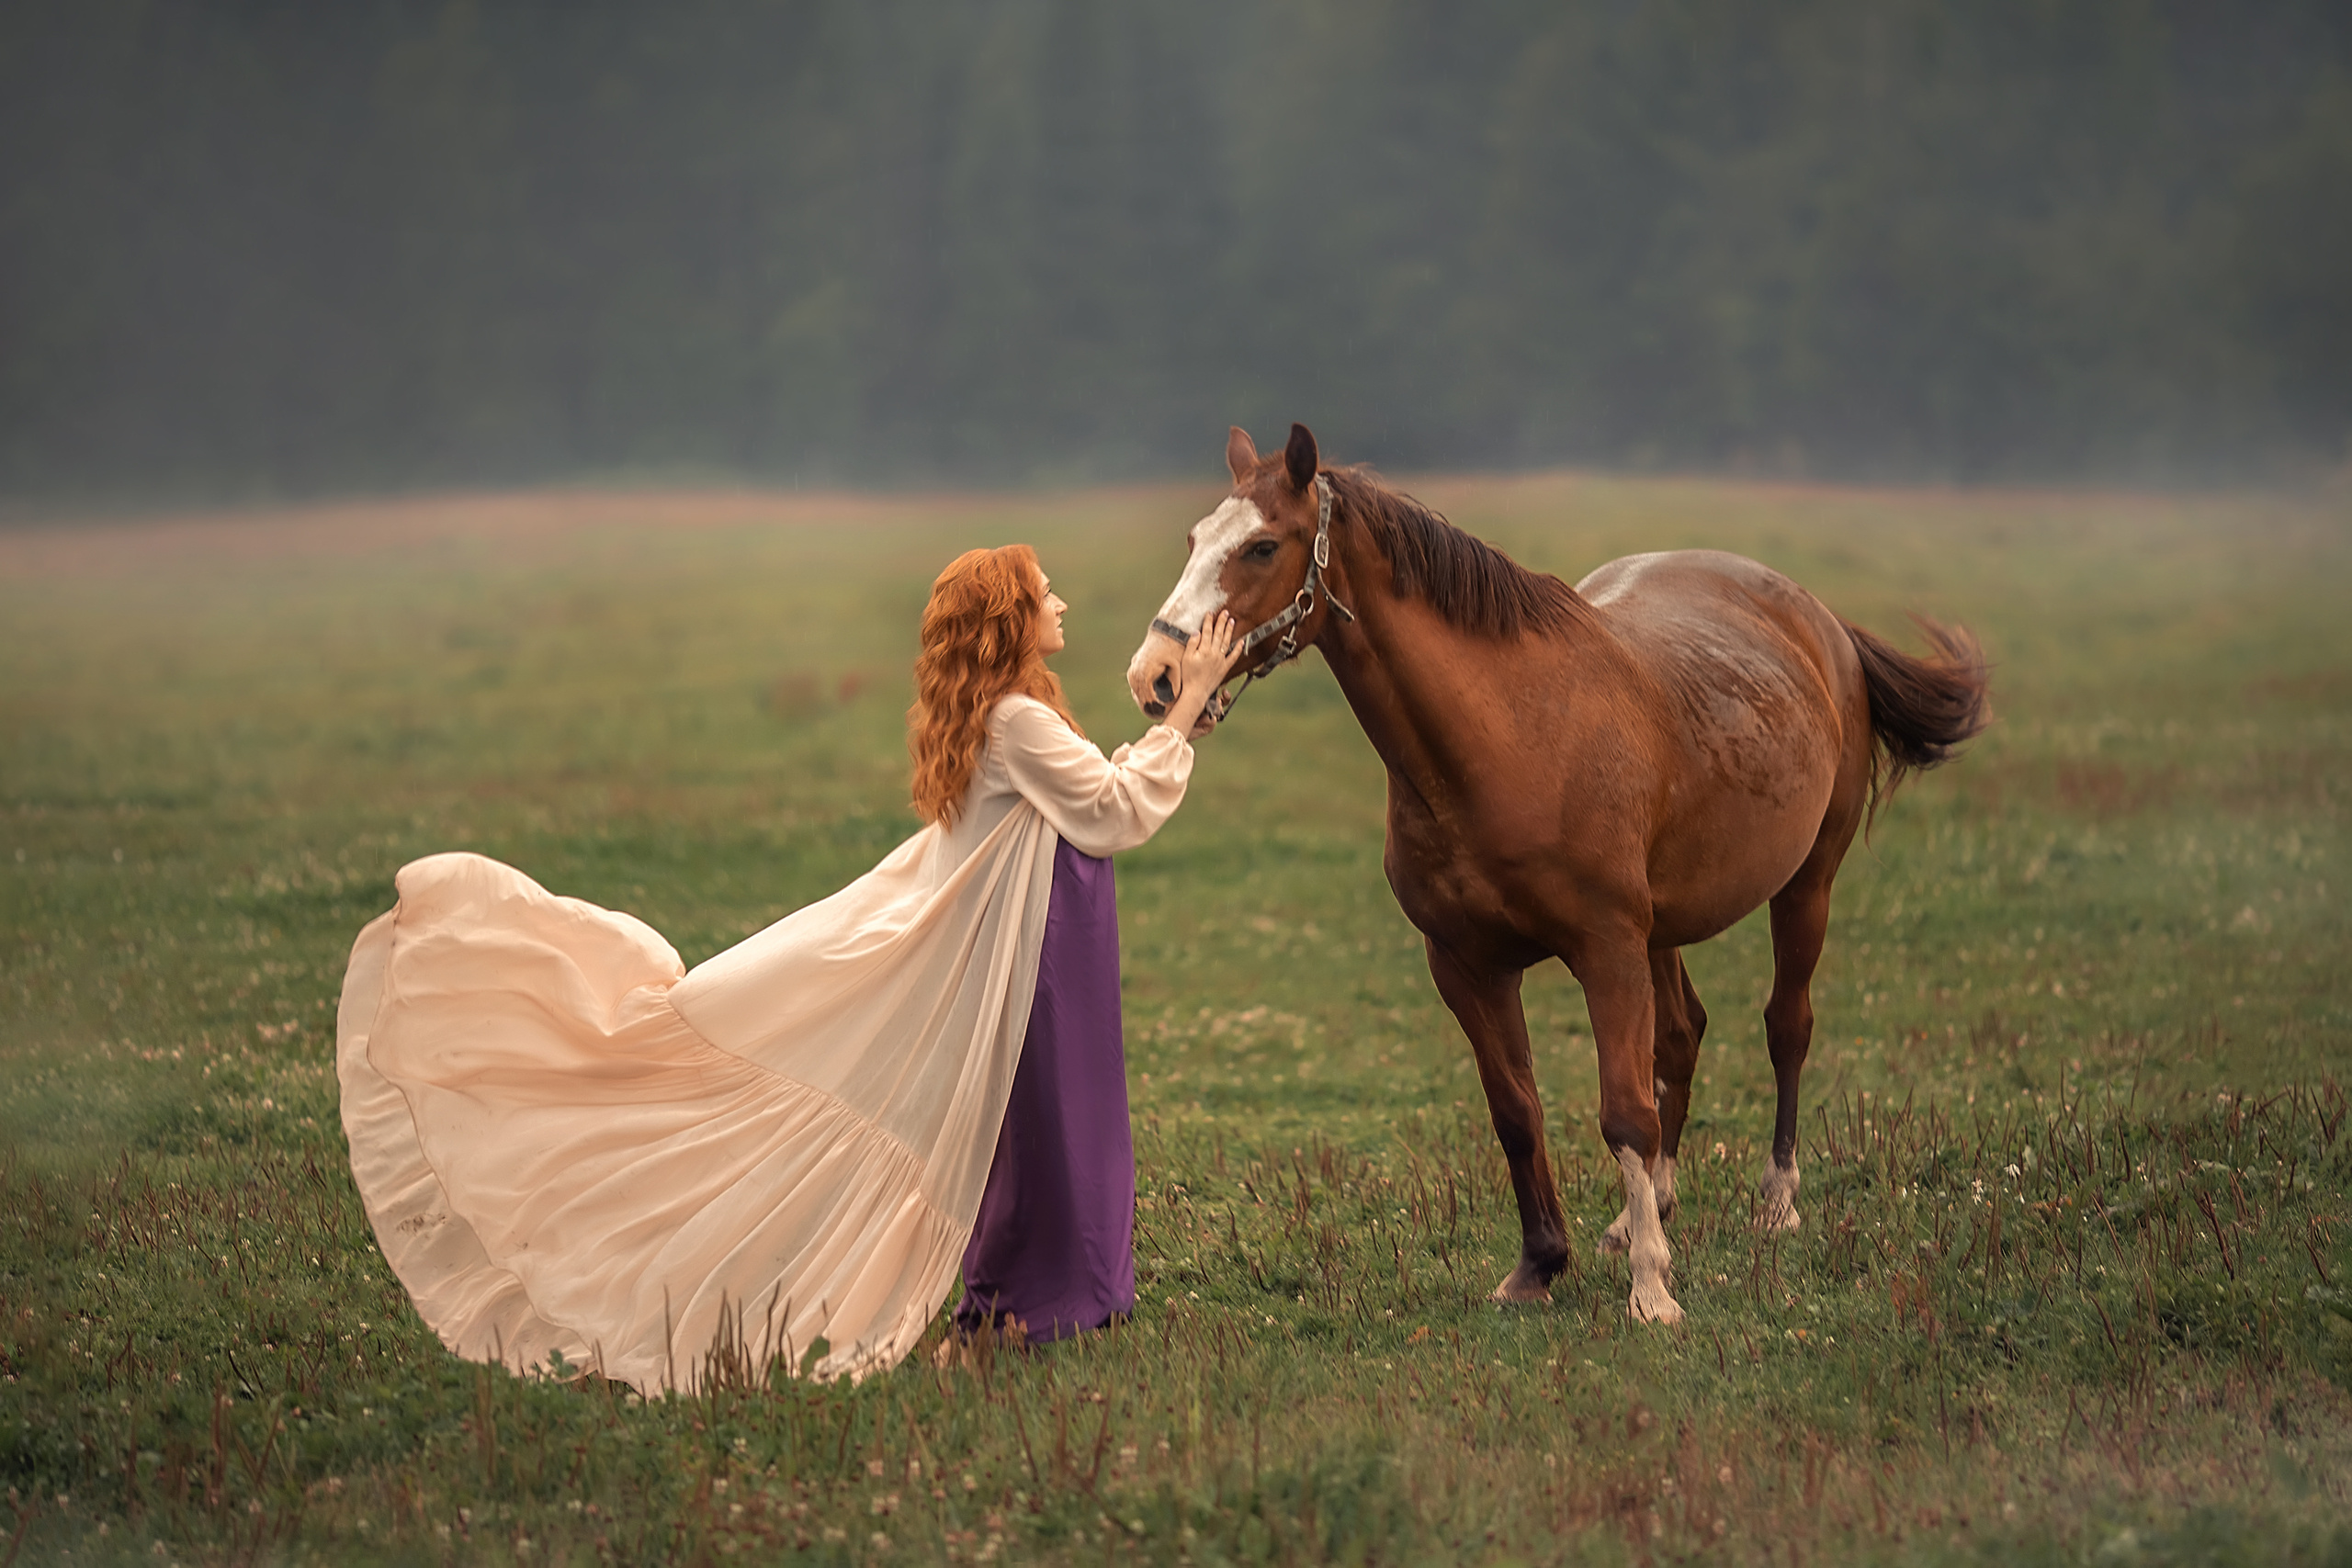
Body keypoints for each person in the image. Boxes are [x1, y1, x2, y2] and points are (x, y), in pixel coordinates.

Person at [334, 544, 1238, 1390]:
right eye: (1044, 594)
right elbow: (1115, 810)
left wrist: (1172, 716)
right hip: (1029, 960)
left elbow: (1081, 798)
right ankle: (1032, 1306)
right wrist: (1191, 703)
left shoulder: (999, 717)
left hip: (1037, 950)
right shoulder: (1017, 721)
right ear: (1010, 618)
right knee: (1053, 1121)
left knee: (1036, 1125)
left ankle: (1039, 1302)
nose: (1062, 603)